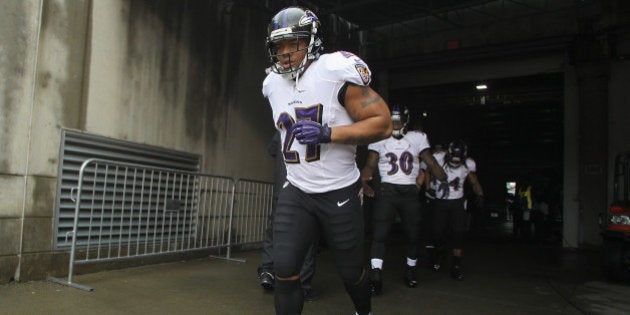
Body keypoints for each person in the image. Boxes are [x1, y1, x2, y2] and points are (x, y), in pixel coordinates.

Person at [261, 7, 392, 315]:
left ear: (312, 41)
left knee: (349, 272)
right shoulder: (272, 84)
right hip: (298, 190)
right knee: (284, 268)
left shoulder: (333, 71)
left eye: (292, 43)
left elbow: (383, 123)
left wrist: (330, 133)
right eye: (278, 46)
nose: (284, 52)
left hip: (339, 190)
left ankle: (365, 310)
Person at [360, 105, 448, 295]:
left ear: (406, 121)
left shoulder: (417, 138)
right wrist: (363, 181)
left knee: (413, 234)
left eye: (398, 121)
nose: (396, 124)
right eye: (393, 121)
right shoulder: (379, 137)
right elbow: (369, 165)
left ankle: (410, 271)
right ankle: (376, 275)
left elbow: (430, 161)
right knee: (380, 234)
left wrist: (443, 177)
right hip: (388, 190)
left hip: (409, 191)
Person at [257, 131, 319, 301]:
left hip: (282, 187)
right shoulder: (316, 125)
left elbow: (272, 150)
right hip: (307, 190)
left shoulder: (283, 127)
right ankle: (303, 285)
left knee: (276, 231)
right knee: (308, 236)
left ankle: (268, 270)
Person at [425, 139, 484, 281]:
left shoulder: (468, 164)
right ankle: (440, 253)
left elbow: (473, 180)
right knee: (437, 231)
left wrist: (480, 194)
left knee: (458, 233)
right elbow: (427, 170)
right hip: (440, 201)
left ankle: (456, 266)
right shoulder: (438, 158)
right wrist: (428, 187)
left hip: (458, 202)